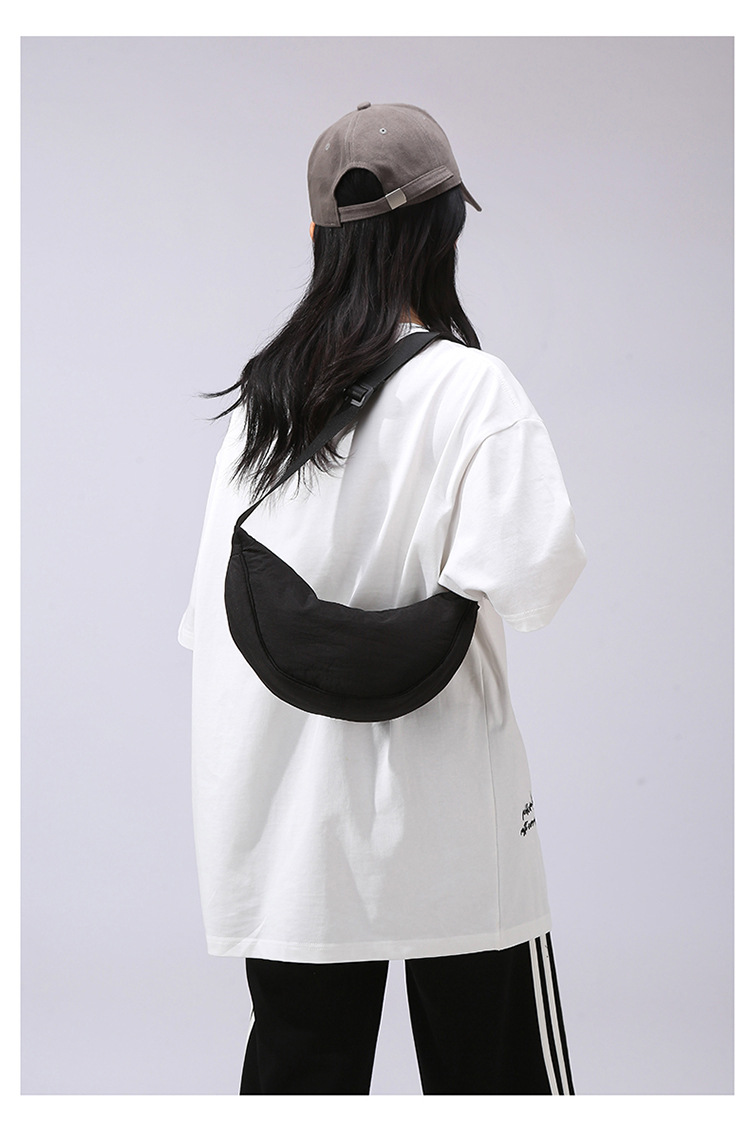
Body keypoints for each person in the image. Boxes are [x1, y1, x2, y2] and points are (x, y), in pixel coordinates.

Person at [178, 101, 586, 1095]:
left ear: (318, 237)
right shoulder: (474, 390)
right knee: (496, 1078)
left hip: (288, 825)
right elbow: (536, 582)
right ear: (445, 227)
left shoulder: (260, 406)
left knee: (299, 1078)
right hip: (454, 818)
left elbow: (214, 629)